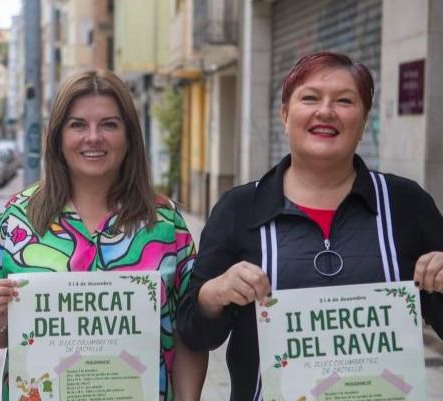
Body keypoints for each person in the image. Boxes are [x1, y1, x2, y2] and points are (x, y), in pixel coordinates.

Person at [177, 51, 443, 401]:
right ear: (285, 115)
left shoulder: (405, 204)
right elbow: (195, 334)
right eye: (310, 98)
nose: (326, 111)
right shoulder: (239, 208)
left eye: (345, 101)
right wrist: (215, 294)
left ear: (364, 122)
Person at [0, 69, 208, 401]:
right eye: (78, 125)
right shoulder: (18, 218)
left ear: (128, 137)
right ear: (58, 137)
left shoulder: (166, 223)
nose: (93, 137)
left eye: (109, 124)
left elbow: (189, 335)